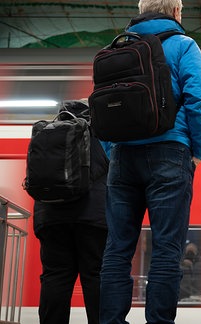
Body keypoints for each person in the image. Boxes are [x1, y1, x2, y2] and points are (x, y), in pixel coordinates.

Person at [98, 0, 201, 323]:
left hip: (122, 158)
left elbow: (102, 110)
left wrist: (114, 152)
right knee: (166, 250)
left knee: (118, 250)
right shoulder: (183, 45)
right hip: (169, 153)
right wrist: (199, 150)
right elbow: (199, 99)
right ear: (176, 13)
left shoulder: (116, 49)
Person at [33, 100, 108, 324]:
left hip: (50, 216)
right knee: (95, 276)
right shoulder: (99, 135)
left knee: (55, 276)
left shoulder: (47, 134)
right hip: (92, 217)